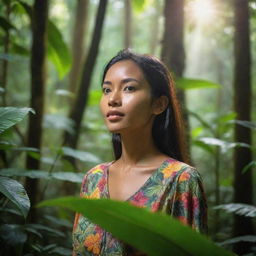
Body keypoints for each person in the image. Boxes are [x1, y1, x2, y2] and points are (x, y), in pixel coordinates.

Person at [72, 49, 207, 256]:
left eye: (129, 88)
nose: (113, 99)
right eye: (107, 90)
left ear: (159, 104)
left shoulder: (181, 179)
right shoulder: (93, 179)